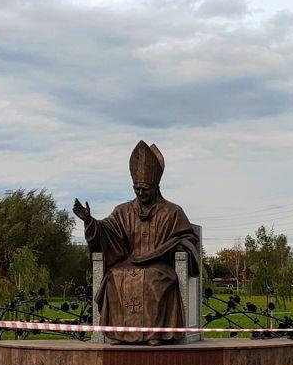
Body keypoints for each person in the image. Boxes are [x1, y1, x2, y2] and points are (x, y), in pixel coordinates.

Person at [73, 141, 199, 345]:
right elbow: (107, 230)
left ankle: (154, 334)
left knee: (154, 279)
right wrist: (89, 221)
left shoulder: (172, 211)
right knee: (114, 277)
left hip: (159, 265)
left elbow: (188, 238)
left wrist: (175, 246)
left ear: (156, 187)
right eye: (136, 189)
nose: (140, 193)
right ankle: (119, 334)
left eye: (145, 189)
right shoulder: (122, 210)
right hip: (128, 262)